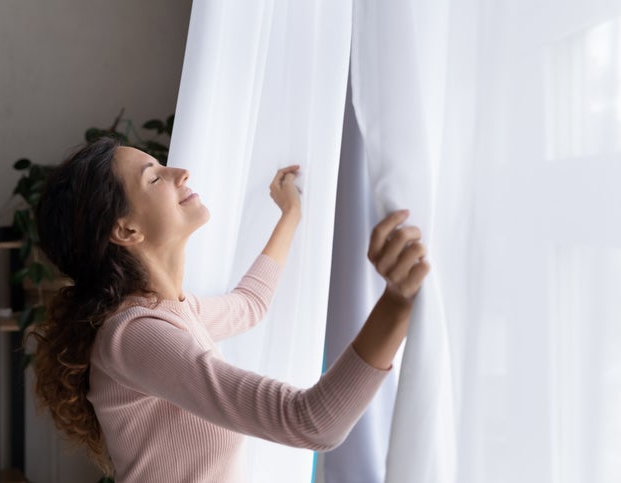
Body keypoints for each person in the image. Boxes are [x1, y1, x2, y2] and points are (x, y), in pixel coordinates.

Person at [30, 137, 429, 482]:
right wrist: (396, 303)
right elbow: (313, 422)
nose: (181, 173)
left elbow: (249, 305)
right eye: (154, 177)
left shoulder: (169, 314)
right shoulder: (137, 336)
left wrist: (290, 215)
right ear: (126, 231)